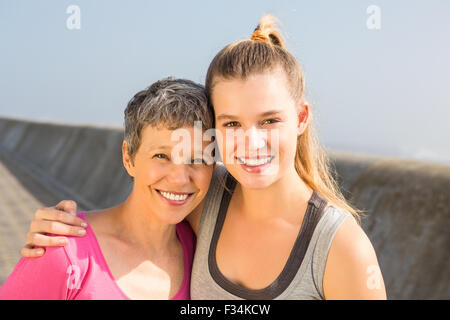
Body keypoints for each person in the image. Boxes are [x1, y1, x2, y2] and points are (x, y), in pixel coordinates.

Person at [16, 15, 387, 299]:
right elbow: (144, 208)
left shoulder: (341, 248)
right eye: (231, 123)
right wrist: (61, 234)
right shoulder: (204, 203)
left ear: (302, 117)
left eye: (270, 120)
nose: (251, 142)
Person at [0, 78, 215, 299]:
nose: (179, 178)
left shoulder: (204, 254)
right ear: (128, 157)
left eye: (198, 159)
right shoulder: (64, 251)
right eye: (161, 156)